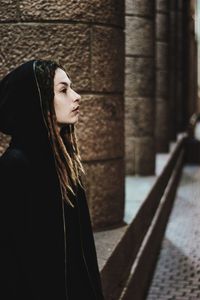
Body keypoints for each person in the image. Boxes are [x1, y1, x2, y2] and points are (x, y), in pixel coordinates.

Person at [0, 59, 105, 300]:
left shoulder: (63, 161)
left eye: (72, 87)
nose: (76, 96)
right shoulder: (16, 166)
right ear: (37, 102)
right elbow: (10, 264)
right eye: (63, 90)